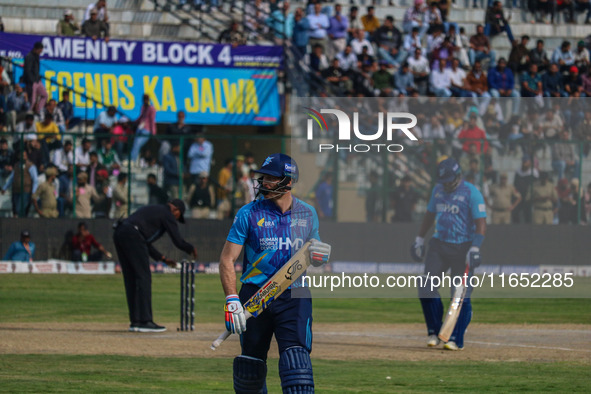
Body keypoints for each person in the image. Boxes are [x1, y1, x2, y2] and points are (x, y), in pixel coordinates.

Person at [218, 153, 331, 393]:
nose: (264, 183)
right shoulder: (248, 213)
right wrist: (231, 300)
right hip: (255, 296)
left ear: (288, 181)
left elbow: (313, 252)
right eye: (263, 177)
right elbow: (227, 259)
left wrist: (320, 256)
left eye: (271, 178)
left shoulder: (308, 213)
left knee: (297, 366)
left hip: (294, 296)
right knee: (251, 369)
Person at [410, 157, 486, 351]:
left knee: (459, 293)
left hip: (463, 247)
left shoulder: (471, 192)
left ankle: (455, 338)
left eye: (448, 181)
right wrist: (419, 239)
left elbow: (481, 223)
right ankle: (434, 332)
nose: (445, 185)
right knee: (426, 287)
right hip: (439, 244)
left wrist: (475, 247)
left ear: (457, 176)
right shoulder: (437, 191)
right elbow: (429, 214)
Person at [113, 199, 197, 332]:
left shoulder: (155, 210)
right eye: (178, 215)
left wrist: (162, 258)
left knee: (132, 278)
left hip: (120, 232)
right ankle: (145, 321)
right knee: (144, 277)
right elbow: (178, 241)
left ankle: (136, 321)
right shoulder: (167, 213)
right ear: (175, 209)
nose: (175, 219)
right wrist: (190, 248)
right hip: (132, 234)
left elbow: (143, 242)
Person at [23, 42, 47, 114]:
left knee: (45, 95)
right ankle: (28, 114)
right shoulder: (29, 56)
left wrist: (37, 78)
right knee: (32, 101)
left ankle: (38, 110)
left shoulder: (37, 56)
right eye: (40, 50)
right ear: (36, 49)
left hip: (37, 80)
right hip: (32, 81)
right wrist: (32, 80)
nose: (40, 52)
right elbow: (27, 70)